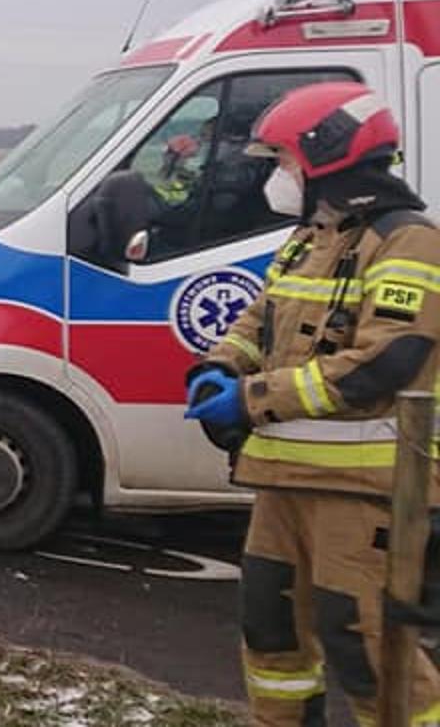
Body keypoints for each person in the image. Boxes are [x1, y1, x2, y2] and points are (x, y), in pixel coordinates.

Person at [184, 82, 440, 726]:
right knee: (272, 637)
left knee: (367, 646)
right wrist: (221, 364)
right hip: (283, 482)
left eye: (284, 162)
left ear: (329, 161)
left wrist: (250, 399)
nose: (277, 176)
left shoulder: (408, 242)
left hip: (364, 488)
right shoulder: (310, 239)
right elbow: (259, 316)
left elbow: (385, 364)